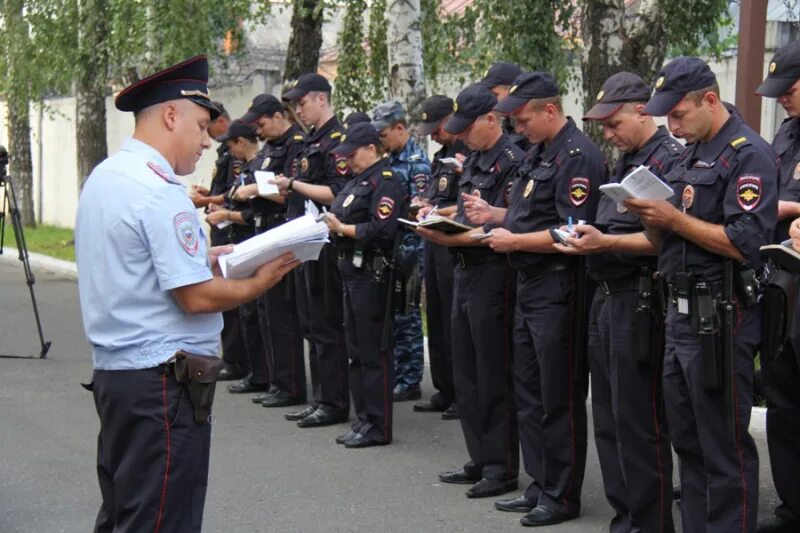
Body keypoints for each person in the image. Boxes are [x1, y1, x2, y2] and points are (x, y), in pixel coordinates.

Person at [74, 55, 299, 532]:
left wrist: (210, 257)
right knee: (161, 519)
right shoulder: (159, 191)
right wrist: (258, 282)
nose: (206, 141)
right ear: (170, 116)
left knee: (125, 513)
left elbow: (133, 264)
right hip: (161, 384)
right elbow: (194, 298)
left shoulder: (108, 176)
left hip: (120, 377)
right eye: (200, 126)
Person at [625, 56, 778, 533]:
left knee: (723, 447)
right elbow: (674, 236)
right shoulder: (692, 152)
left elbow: (743, 242)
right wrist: (653, 221)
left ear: (710, 101)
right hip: (680, 310)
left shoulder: (748, 154)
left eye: (678, 114)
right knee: (688, 442)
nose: (671, 125)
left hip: (721, 316)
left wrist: (673, 220)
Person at [470, 71, 606, 527]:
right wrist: (496, 215)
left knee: (558, 394)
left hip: (558, 285)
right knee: (527, 391)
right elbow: (532, 213)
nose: (518, 128)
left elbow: (573, 230)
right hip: (529, 283)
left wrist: (515, 242)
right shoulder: (539, 151)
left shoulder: (578, 156)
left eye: (524, 119)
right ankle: (540, 481)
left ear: (550, 110)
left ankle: (562, 494)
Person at [556, 72, 680, 533]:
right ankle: (624, 518)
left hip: (639, 297)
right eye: (602, 126)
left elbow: (665, 240)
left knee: (639, 423)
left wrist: (604, 244)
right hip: (605, 298)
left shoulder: (666, 161)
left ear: (643, 110)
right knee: (607, 419)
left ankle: (650, 523)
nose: (607, 135)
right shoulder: (626, 159)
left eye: (613, 123)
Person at [416, 83, 521, 499]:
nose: (460, 136)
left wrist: (459, 235)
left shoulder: (512, 160)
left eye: (467, 127)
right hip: (464, 270)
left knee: (493, 374)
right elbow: (463, 211)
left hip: (493, 272)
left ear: (491, 120)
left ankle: (501, 467)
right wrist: (443, 225)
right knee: (468, 372)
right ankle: (480, 457)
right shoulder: (474, 157)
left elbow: (513, 221)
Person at [274, 73, 352, 428]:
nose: (299, 110)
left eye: (302, 103)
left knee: (327, 324)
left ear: (321, 99)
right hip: (305, 240)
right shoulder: (311, 141)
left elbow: (337, 192)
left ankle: (334, 401)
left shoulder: (338, 141)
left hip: (325, 241)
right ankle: (321, 396)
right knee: (311, 322)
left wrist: (293, 184)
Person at [322, 122, 406, 447]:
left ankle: (378, 425)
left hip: (371, 272)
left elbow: (382, 230)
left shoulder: (385, 182)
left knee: (373, 352)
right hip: (350, 271)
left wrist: (342, 228)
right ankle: (364, 419)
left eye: (352, 154)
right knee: (355, 350)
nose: (348, 161)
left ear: (372, 149)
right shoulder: (357, 181)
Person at [234, 93, 308, 408]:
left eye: (262, 123)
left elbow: (289, 194)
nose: (259, 130)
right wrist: (251, 189)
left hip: (283, 232)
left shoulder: (296, 144)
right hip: (264, 231)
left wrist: (253, 190)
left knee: (283, 315)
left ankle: (291, 385)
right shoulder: (270, 148)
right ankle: (276, 380)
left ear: (279, 116)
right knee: (267, 312)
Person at [756, 39, 800, 533]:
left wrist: (787, 210)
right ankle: (793, 508)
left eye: (789, 89)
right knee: (783, 396)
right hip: (783, 279)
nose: (781, 99)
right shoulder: (787, 133)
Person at [207, 119, 273, 396]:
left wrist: (226, 215)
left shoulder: (262, 167)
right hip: (236, 238)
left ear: (241, 142)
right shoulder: (248, 168)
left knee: (254, 312)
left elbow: (255, 212)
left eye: (232, 144)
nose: (230, 151)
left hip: (249, 239)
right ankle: (252, 370)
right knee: (245, 313)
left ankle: (259, 372)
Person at [371, 101, 431, 402]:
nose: (379, 140)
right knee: (394, 313)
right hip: (392, 246)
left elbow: (420, 206)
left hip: (410, 246)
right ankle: (398, 371)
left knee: (407, 314)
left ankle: (409, 380)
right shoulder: (390, 160)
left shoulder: (416, 163)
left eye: (383, 133)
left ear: (399, 128)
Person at [412, 95, 467, 419]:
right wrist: (424, 203)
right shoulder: (441, 157)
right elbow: (438, 194)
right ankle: (444, 388)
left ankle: (462, 393)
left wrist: (435, 208)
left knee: (453, 320)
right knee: (435, 316)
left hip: (456, 241)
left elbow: (467, 203)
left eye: (437, 127)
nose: (433, 134)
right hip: (433, 240)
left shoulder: (467, 153)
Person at [189, 102, 250, 382]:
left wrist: (208, 200)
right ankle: (232, 358)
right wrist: (208, 195)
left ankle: (238, 361)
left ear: (221, 122)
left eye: (207, 126)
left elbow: (233, 194)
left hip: (232, 228)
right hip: (220, 223)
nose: (206, 135)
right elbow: (223, 190)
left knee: (233, 304)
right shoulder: (226, 150)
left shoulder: (235, 148)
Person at [481, 61, 529, 151]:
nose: (490, 101)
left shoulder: (532, 128)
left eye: (495, 95)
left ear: (513, 90)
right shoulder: (507, 124)